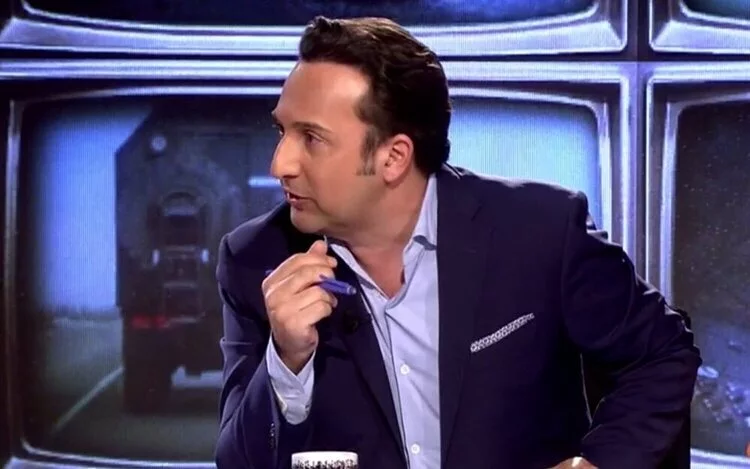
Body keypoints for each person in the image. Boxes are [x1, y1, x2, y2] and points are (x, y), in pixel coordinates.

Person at [214, 15, 701, 469]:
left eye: (311, 138)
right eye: (282, 131)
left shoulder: (539, 232)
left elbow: (662, 354)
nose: (280, 164)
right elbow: (237, 460)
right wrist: (286, 362)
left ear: (393, 157)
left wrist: (598, 465)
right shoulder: (255, 260)